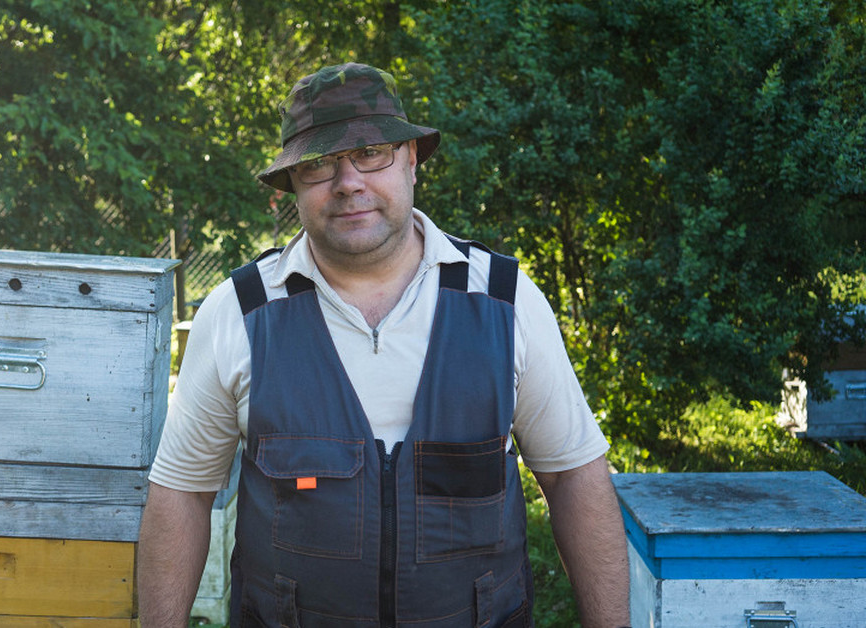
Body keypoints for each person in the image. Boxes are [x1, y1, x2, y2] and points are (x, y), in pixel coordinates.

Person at [137, 62, 630, 628]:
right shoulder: (240, 313)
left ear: (412, 159)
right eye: (319, 164)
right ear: (291, 185)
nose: (349, 182)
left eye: (371, 153)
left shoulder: (505, 302)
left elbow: (573, 478)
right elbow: (183, 494)